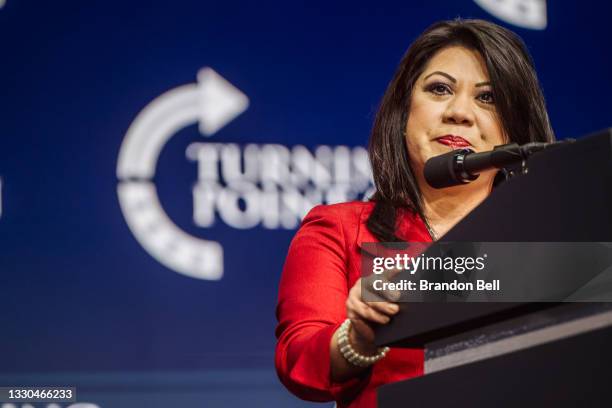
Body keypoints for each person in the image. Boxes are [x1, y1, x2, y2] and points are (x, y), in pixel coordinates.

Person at [275, 18, 554, 408]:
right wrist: (356, 338)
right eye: (440, 89)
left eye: (487, 98)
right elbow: (299, 360)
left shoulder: (552, 244)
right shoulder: (339, 229)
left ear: (516, 129)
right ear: (404, 113)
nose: (460, 112)